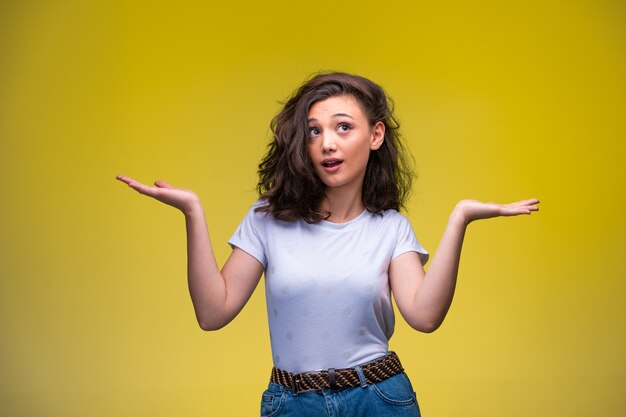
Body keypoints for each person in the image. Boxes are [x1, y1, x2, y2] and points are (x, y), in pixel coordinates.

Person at [116, 72, 539, 416]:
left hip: (378, 398)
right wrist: (193, 211)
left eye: (342, 127)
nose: (327, 143)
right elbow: (212, 313)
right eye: (314, 131)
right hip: (292, 402)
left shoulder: (390, 228)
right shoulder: (267, 220)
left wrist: (460, 218)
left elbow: (425, 317)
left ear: (374, 136)